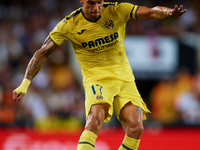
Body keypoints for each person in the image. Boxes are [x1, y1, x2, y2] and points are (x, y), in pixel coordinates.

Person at [13, 0, 186, 149]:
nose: (96, 7)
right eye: (91, 3)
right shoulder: (70, 24)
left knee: (136, 127)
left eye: (99, 2)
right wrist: (25, 83)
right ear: (82, 0)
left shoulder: (116, 10)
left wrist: (168, 13)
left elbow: (151, 12)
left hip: (125, 79)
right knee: (95, 119)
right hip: (97, 80)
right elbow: (41, 53)